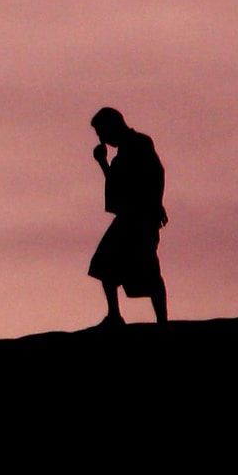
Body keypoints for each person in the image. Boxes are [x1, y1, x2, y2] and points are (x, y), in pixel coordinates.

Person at [88, 109, 170, 326]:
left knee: (148, 269)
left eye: (102, 132)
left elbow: (156, 173)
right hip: (128, 216)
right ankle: (115, 315)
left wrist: (156, 203)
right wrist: (103, 163)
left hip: (140, 217)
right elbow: (116, 183)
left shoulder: (139, 144)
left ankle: (162, 320)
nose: (101, 138)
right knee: (105, 263)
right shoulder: (122, 153)